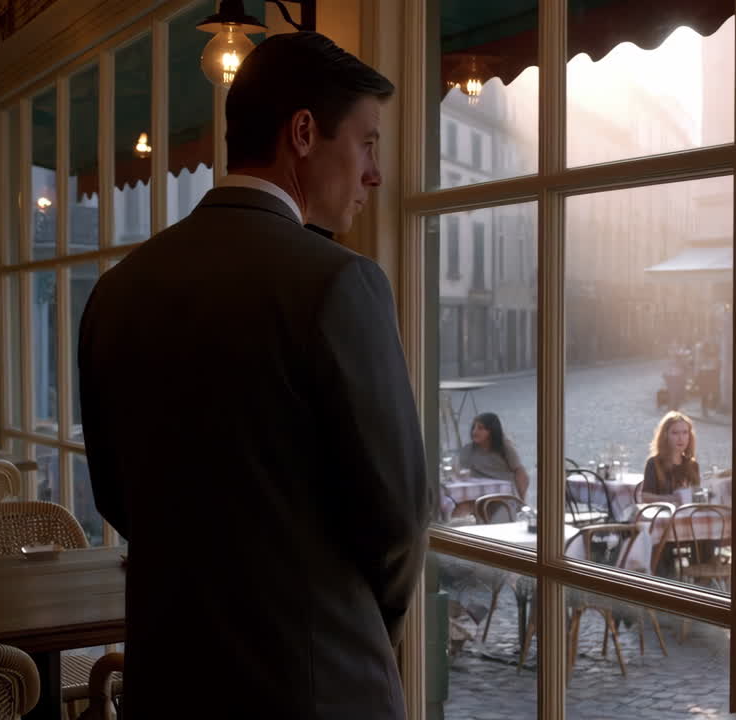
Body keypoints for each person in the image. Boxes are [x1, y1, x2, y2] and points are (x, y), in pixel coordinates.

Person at [77, 33, 428, 719]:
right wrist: (356, 630)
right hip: (315, 688)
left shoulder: (116, 290)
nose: (375, 175)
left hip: (168, 683)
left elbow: (116, 495)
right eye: (367, 144)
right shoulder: (339, 283)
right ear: (303, 133)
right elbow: (399, 519)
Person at [457, 412, 530, 501]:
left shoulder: (505, 449)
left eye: (480, 428)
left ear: (491, 431)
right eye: (474, 428)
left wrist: (522, 500)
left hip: (503, 495)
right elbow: (462, 474)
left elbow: (521, 474)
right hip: (477, 495)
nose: (475, 432)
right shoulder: (468, 450)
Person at [639, 411, 701, 505]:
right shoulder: (654, 463)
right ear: (665, 436)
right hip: (662, 512)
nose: (681, 438)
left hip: (687, 512)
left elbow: (697, 498)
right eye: (675, 433)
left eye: (685, 432)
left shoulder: (693, 466)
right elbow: (645, 497)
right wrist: (671, 499)